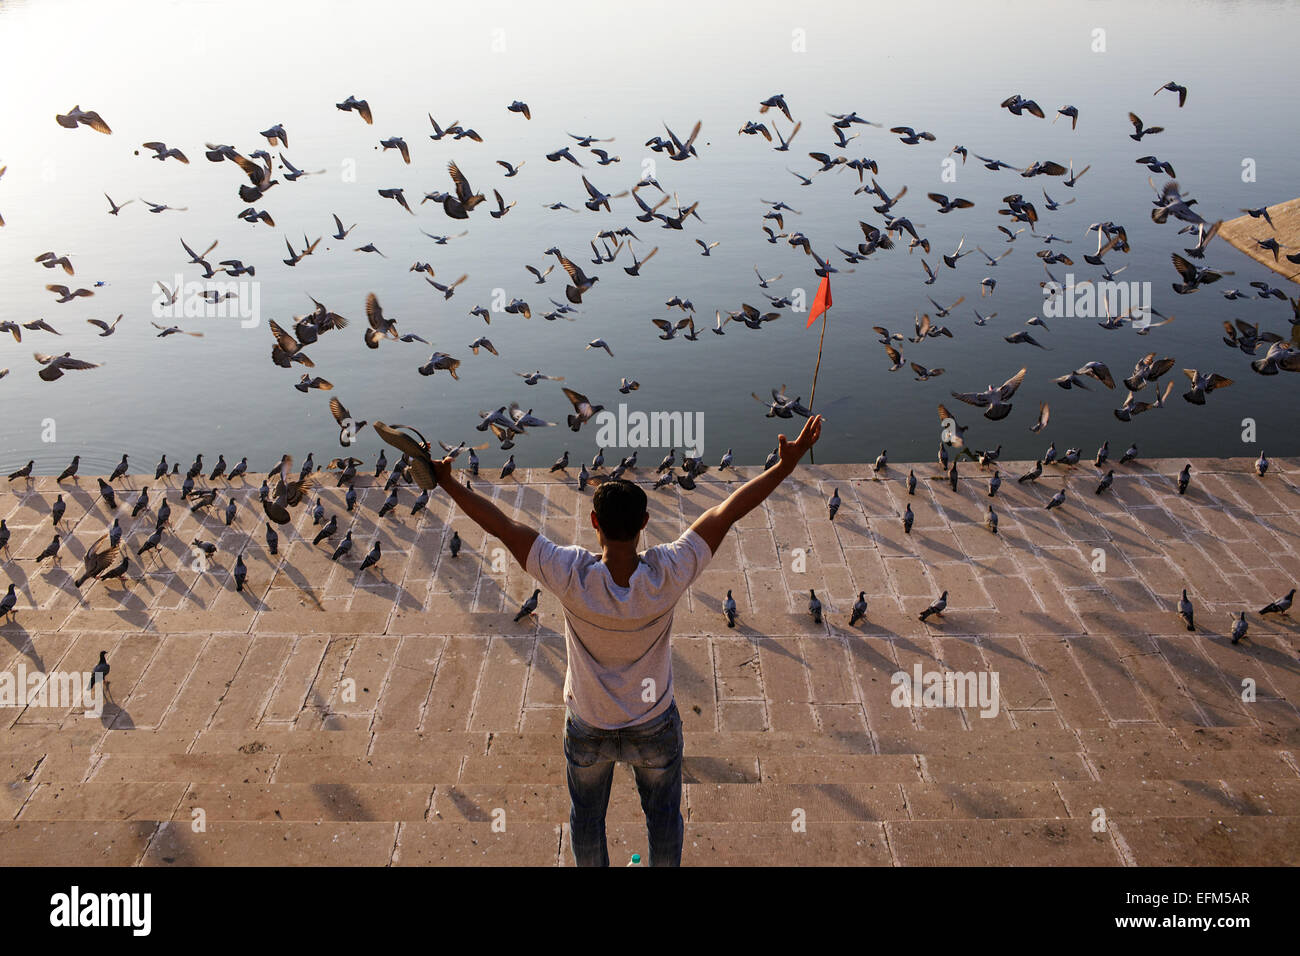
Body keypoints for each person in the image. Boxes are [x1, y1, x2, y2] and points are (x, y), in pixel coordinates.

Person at [430, 414, 824, 865]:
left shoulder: (569, 574)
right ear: (645, 523)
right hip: (652, 722)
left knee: (586, 820)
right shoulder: (668, 573)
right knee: (663, 820)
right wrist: (784, 467)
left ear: (594, 522)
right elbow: (726, 511)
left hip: (588, 724)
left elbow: (500, 526)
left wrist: (448, 483)